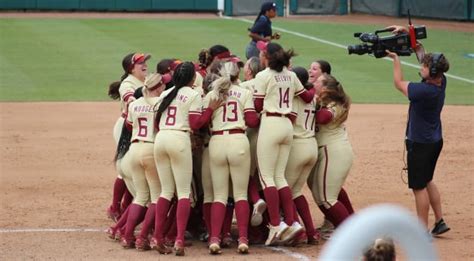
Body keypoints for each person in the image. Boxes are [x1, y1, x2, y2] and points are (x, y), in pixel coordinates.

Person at [152, 62, 222, 256]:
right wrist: (210, 109)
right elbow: (196, 122)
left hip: (161, 139)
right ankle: (179, 240)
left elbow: (157, 122)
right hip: (179, 139)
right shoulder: (192, 94)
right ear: (193, 78)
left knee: (166, 191)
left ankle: (157, 237)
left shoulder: (166, 93)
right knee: (184, 193)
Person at [253, 42, 315, 246]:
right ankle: (292, 222)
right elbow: (306, 96)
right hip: (288, 126)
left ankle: (275, 225)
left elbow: (258, 105)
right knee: (280, 176)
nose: (260, 54)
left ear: (267, 57)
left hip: (271, 124)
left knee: (266, 177)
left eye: (262, 52)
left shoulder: (262, 76)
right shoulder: (291, 75)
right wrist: (314, 85)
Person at [385, 45, 450, 236]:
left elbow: (398, 83)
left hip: (420, 144)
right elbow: (424, 58)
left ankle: (421, 231)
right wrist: (412, 40)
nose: (421, 67)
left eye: (424, 67)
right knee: (428, 179)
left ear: (433, 71)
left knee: (419, 187)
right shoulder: (441, 81)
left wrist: (396, 59)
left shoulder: (423, 91)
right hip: (435, 141)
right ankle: (439, 221)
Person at [205, 61, 260, 254]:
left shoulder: (212, 93)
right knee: (240, 194)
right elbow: (252, 120)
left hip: (217, 143)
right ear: (238, 75)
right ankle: (243, 239)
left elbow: (202, 121)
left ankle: (214, 239)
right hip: (238, 141)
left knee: (219, 195)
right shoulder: (244, 92)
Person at [118, 73, 171, 250]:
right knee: (157, 197)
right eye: (162, 85)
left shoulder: (134, 104)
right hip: (151, 149)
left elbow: (129, 126)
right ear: (158, 87)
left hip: (134, 150)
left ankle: (127, 236)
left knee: (140, 196)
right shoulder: (159, 104)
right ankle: (142, 237)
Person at [107, 53, 150, 222]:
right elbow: (128, 97)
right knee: (126, 168)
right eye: (141, 63)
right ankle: (115, 207)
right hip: (125, 127)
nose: (145, 64)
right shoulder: (128, 83)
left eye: (145, 61)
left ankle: (125, 207)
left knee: (133, 168)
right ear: (131, 68)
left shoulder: (144, 80)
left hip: (137, 126)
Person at [308, 73, 355, 229]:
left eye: (317, 82)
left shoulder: (336, 104)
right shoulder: (325, 101)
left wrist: (313, 101)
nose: (313, 83)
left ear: (326, 89)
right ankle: (350, 225)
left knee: (327, 198)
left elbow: (323, 118)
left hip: (334, 151)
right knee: (318, 194)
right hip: (326, 150)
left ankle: (353, 233)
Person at [284, 66, 319, 245]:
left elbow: (289, 119)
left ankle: (297, 231)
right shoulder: (313, 96)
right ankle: (311, 232)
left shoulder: (294, 97)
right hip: (312, 145)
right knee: (296, 191)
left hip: (297, 146)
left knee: (285, 191)